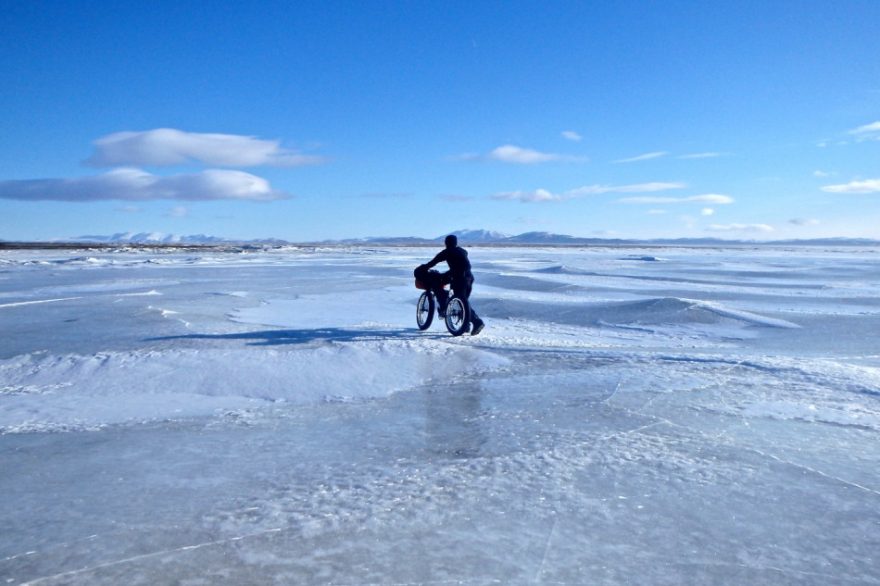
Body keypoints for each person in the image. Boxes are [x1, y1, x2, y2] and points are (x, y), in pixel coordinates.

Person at [415, 234, 485, 335]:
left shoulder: (447, 252)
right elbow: (459, 266)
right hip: (469, 278)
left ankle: (477, 322)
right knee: (462, 302)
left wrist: (422, 268)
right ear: (456, 243)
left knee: (458, 298)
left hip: (459, 278)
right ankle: (466, 326)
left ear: (446, 243)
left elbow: (432, 263)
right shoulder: (462, 251)